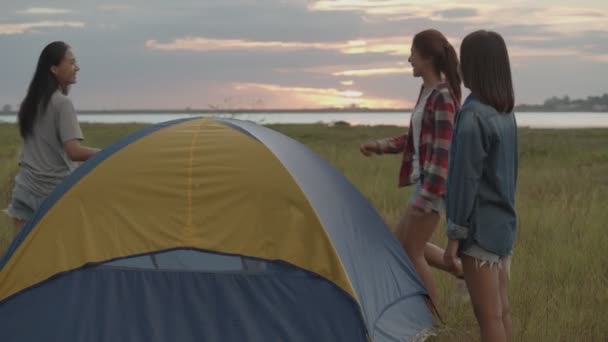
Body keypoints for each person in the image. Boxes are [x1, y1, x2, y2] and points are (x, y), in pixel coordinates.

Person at [359, 29, 462, 310]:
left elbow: (443, 151)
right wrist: (379, 145)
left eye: (413, 54)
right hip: (424, 182)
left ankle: (433, 321)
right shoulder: (428, 92)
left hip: (433, 186)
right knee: (401, 244)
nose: (409, 60)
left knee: (411, 251)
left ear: (427, 57)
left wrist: (428, 195)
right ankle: (462, 269)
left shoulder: (442, 96)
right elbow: (414, 139)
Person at [443, 30, 518, 342]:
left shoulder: (472, 115)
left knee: (487, 317)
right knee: (500, 312)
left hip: (480, 231)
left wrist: (453, 238)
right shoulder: (505, 113)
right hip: (503, 226)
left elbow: (464, 181)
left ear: (472, 65)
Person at [3, 41, 99, 233]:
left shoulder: (29, 103)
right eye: (71, 63)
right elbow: (74, 152)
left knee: (21, 256)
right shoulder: (62, 103)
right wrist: (109, 153)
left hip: (25, 188)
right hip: (52, 194)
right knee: (62, 256)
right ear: (54, 69)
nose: (77, 67)